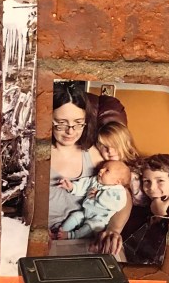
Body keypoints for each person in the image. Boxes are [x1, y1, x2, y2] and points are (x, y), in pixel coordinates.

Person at [49, 80, 130, 245]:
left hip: (87, 237)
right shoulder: (33, 154)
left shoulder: (95, 154)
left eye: (78, 123)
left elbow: (123, 195)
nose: (70, 131)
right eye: (61, 124)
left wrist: (113, 230)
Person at [53, 159, 133, 240]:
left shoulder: (119, 191)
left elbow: (116, 204)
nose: (101, 170)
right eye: (102, 168)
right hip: (85, 213)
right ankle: (61, 232)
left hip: (99, 220)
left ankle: (71, 235)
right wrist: (72, 187)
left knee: (90, 227)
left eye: (107, 170)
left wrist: (98, 194)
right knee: (75, 216)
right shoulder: (95, 180)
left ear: (117, 181)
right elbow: (84, 185)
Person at [120, 154, 169, 265]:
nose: (151, 188)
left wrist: (160, 215)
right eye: (147, 181)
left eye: (160, 181)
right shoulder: (139, 209)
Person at [96, 121, 146, 205]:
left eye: (114, 145)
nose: (110, 151)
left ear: (126, 144)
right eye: (105, 146)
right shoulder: (101, 170)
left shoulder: (140, 168)